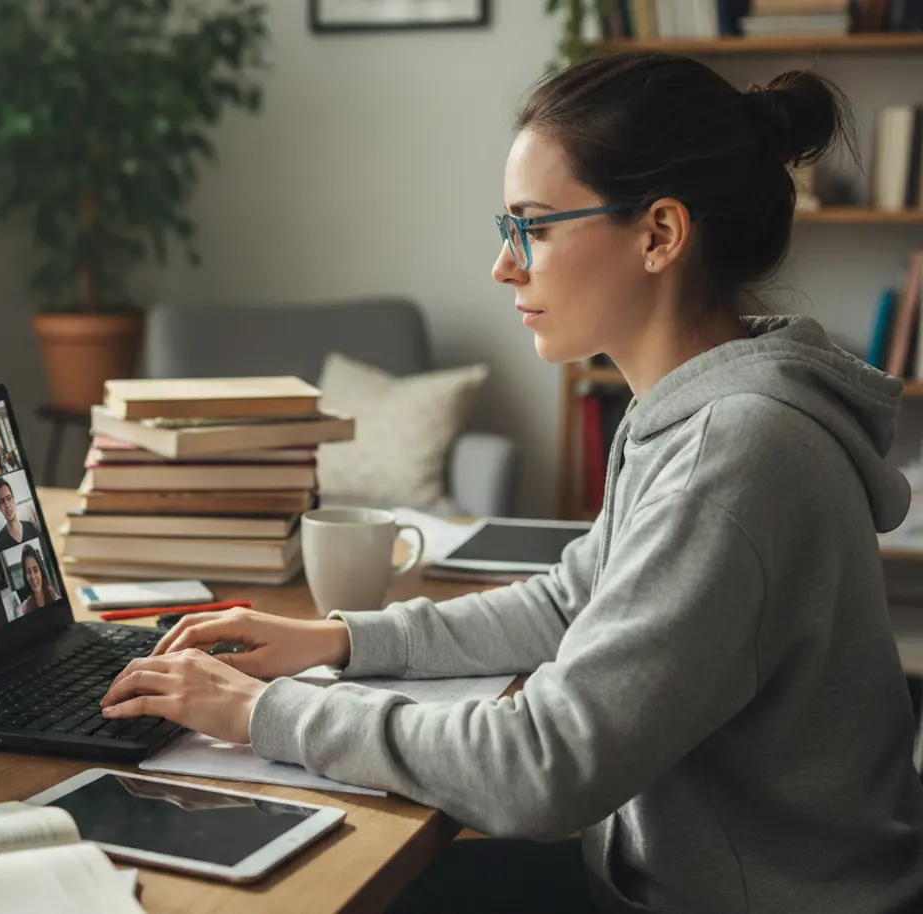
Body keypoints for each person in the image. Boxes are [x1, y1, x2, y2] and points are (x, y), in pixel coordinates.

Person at [96, 53, 923, 914]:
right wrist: (334, 640)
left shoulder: (738, 452)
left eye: (535, 225)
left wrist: (265, 714)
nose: (504, 264)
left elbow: (544, 767)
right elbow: (575, 602)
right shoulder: (689, 408)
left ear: (659, 235)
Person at [0, 477, 40, 552]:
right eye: (2, 501)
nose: (7, 505)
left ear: (14, 500)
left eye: (9, 498)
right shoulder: (0, 542)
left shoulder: (32, 527)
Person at [18, 543, 58, 614]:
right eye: (29, 572)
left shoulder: (54, 596)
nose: (33, 576)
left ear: (41, 571)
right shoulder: (24, 609)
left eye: (35, 570)